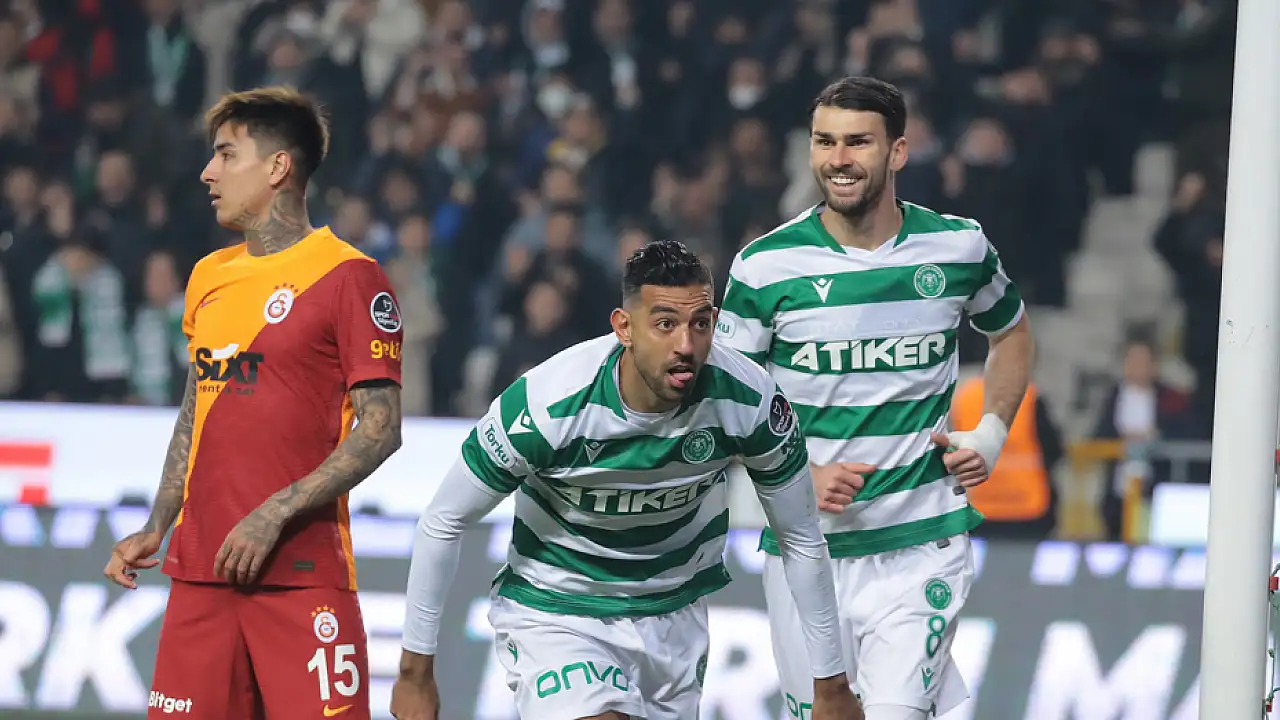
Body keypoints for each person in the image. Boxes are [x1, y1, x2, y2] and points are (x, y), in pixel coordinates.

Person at [390, 239, 861, 720]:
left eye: (701, 324)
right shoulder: (547, 405)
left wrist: (831, 684)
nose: (685, 346)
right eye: (665, 324)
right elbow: (443, 521)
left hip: (674, 617)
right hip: (560, 612)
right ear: (624, 327)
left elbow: (800, 536)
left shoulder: (750, 399)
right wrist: (414, 672)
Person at [717, 76, 1035, 720]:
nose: (838, 159)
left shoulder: (958, 247)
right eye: (824, 142)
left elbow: (1013, 334)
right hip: (807, 552)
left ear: (898, 152)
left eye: (858, 142)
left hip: (921, 543)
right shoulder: (764, 267)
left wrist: (991, 432)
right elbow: (726, 401)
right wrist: (796, 475)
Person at [102, 87, 405, 720]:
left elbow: (380, 428)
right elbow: (196, 410)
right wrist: (158, 523)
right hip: (199, 574)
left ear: (277, 167)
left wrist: (275, 512)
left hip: (301, 574)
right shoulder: (208, 276)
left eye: (225, 155)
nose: (208, 173)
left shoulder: (349, 276)